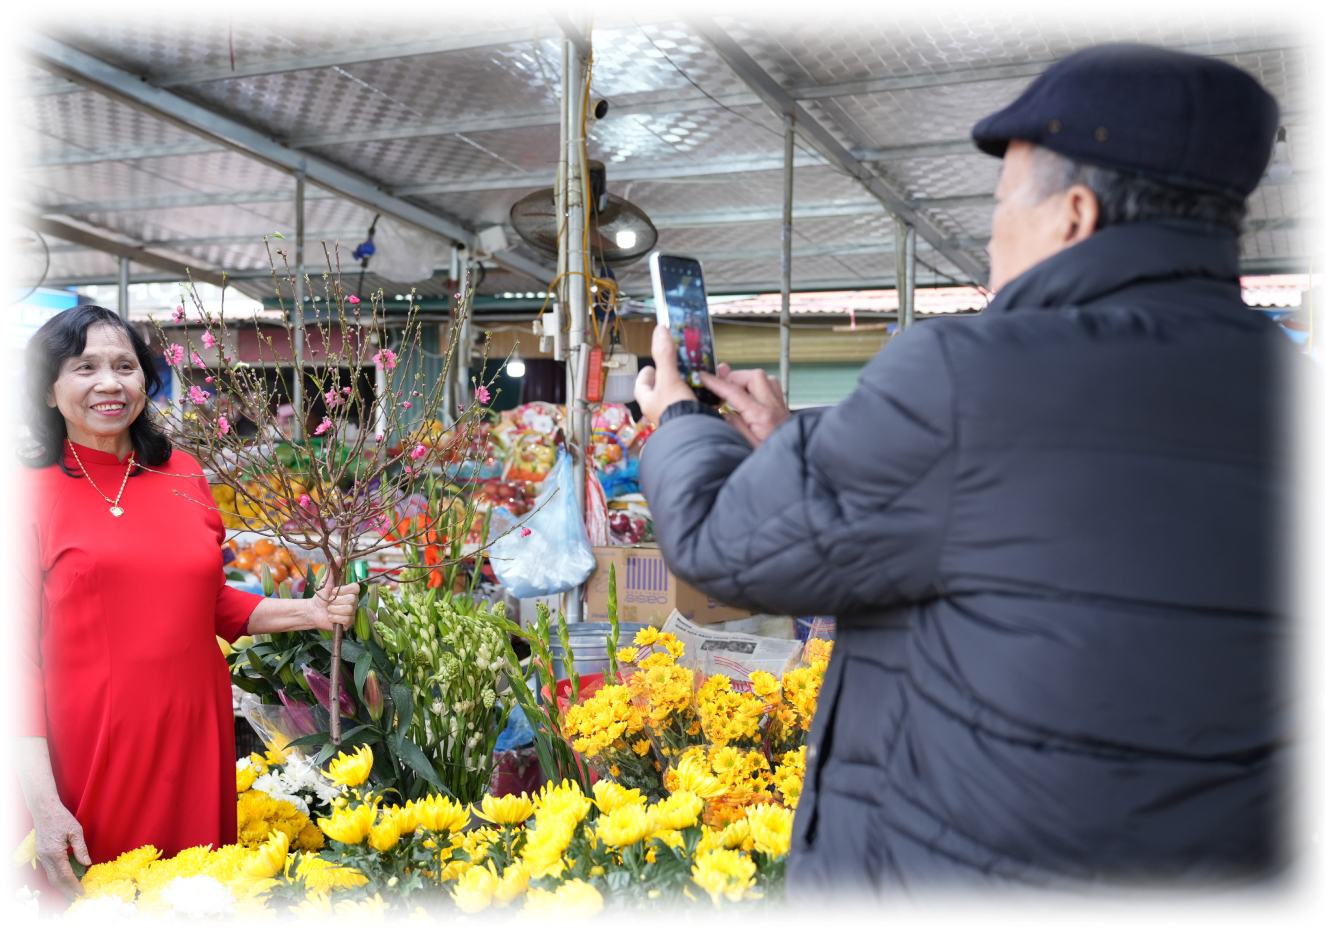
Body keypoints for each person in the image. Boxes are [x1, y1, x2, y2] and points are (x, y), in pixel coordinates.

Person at [635, 43, 1323, 921]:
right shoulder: (1298, 394)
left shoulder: (972, 373)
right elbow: (1051, 512)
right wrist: (793, 442)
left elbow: (722, 545)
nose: (991, 244)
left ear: (1075, 215)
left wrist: (678, 420)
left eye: (1003, 208)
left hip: (978, 891)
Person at [3, 306, 360, 915]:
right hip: (84, 749)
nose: (109, 383)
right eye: (85, 367)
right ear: (48, 388)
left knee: (198, 900)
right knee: (95, 906)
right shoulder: (22, 497)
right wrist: (44, 801)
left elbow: (206, 600)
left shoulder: (183, 474)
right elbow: (14, 664)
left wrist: (310, 611)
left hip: (192, 737)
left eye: (125, 366)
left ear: (146, 381)